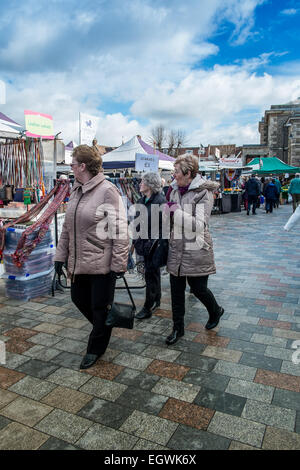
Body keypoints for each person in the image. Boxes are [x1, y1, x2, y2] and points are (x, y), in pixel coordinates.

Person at [54, 145, 129, 370]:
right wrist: (60, 257)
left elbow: (120, 230)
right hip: (78, 263)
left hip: (102, 264)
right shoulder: (76, 190)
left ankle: (95, 348)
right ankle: (104, 326)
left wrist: (118, 264)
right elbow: (67, 228)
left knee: (99, 307)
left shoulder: (107, 191)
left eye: (73, 164)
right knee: (78, 299)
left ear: (83, 166)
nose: (70, 167)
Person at [164, 155, 224, 345]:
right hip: (177, 247)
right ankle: (177, 328)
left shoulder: (203, 193)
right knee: (176, 291)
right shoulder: (174, 191)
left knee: (198, 289)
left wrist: (175, 211)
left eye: (176, 172)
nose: (173, 175)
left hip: (196, 247)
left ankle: (215, 310)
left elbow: (199, 224)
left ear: (188, 173)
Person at [133, 172, 166, 319]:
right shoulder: (141, 200)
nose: (140, 184)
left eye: (143, 182)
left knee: (150, 274)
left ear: (150, 184)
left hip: (154, 245)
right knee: (152, 273)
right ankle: (156, 299)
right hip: (144, 244)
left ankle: (147, 307)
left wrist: (151, 243)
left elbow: (161, 227)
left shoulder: (160, 201)